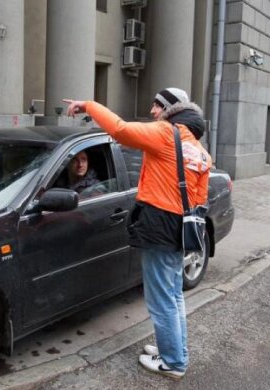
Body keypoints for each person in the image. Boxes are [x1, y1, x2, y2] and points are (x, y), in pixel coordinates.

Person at [64, 87, 212, 379]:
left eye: (157, 107)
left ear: (171, 109)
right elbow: (199, 197)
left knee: (161, 298)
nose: (153, 112)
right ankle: (174, 352)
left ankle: (173, 362)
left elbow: (119, 130)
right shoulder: (196, 147)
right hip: (180, 227)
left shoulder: (166, 133)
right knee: (173, 294)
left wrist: (89, 105)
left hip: (159, 225)